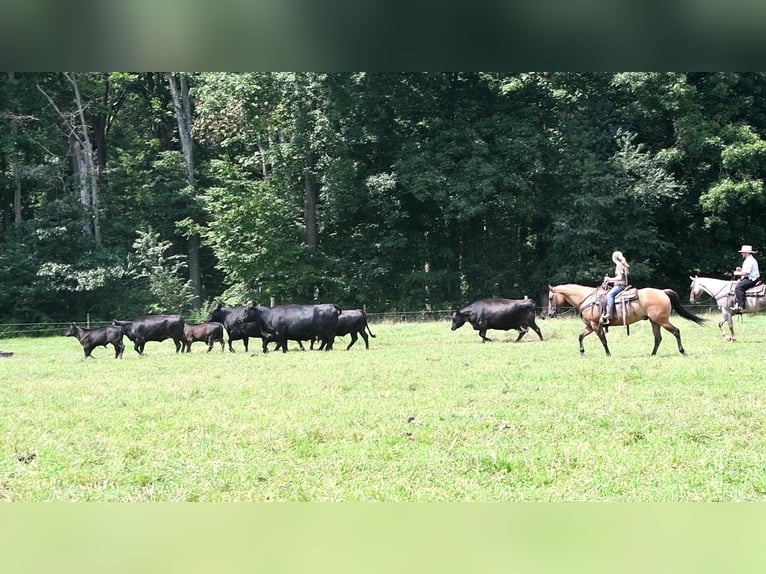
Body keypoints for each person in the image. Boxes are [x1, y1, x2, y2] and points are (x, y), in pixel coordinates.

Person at [600, 250, 630, 325]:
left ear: (614, 258)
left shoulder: (619, 265)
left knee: (610, 295)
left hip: (620, 286)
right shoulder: (622, 265)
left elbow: (620, 278)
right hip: (622, 285)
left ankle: (609, 313)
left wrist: (609, 279)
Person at [731, 244, 760, 314]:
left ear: (746, 253)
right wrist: (740, 270)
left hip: (751, 279)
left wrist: (736, 273)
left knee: (738, 287)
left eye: (742, 252)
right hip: (752, 277)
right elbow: (746, 271)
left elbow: (746, 273)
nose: (741, 254)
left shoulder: (749, 261)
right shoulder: (749, 259)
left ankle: (741, 306)